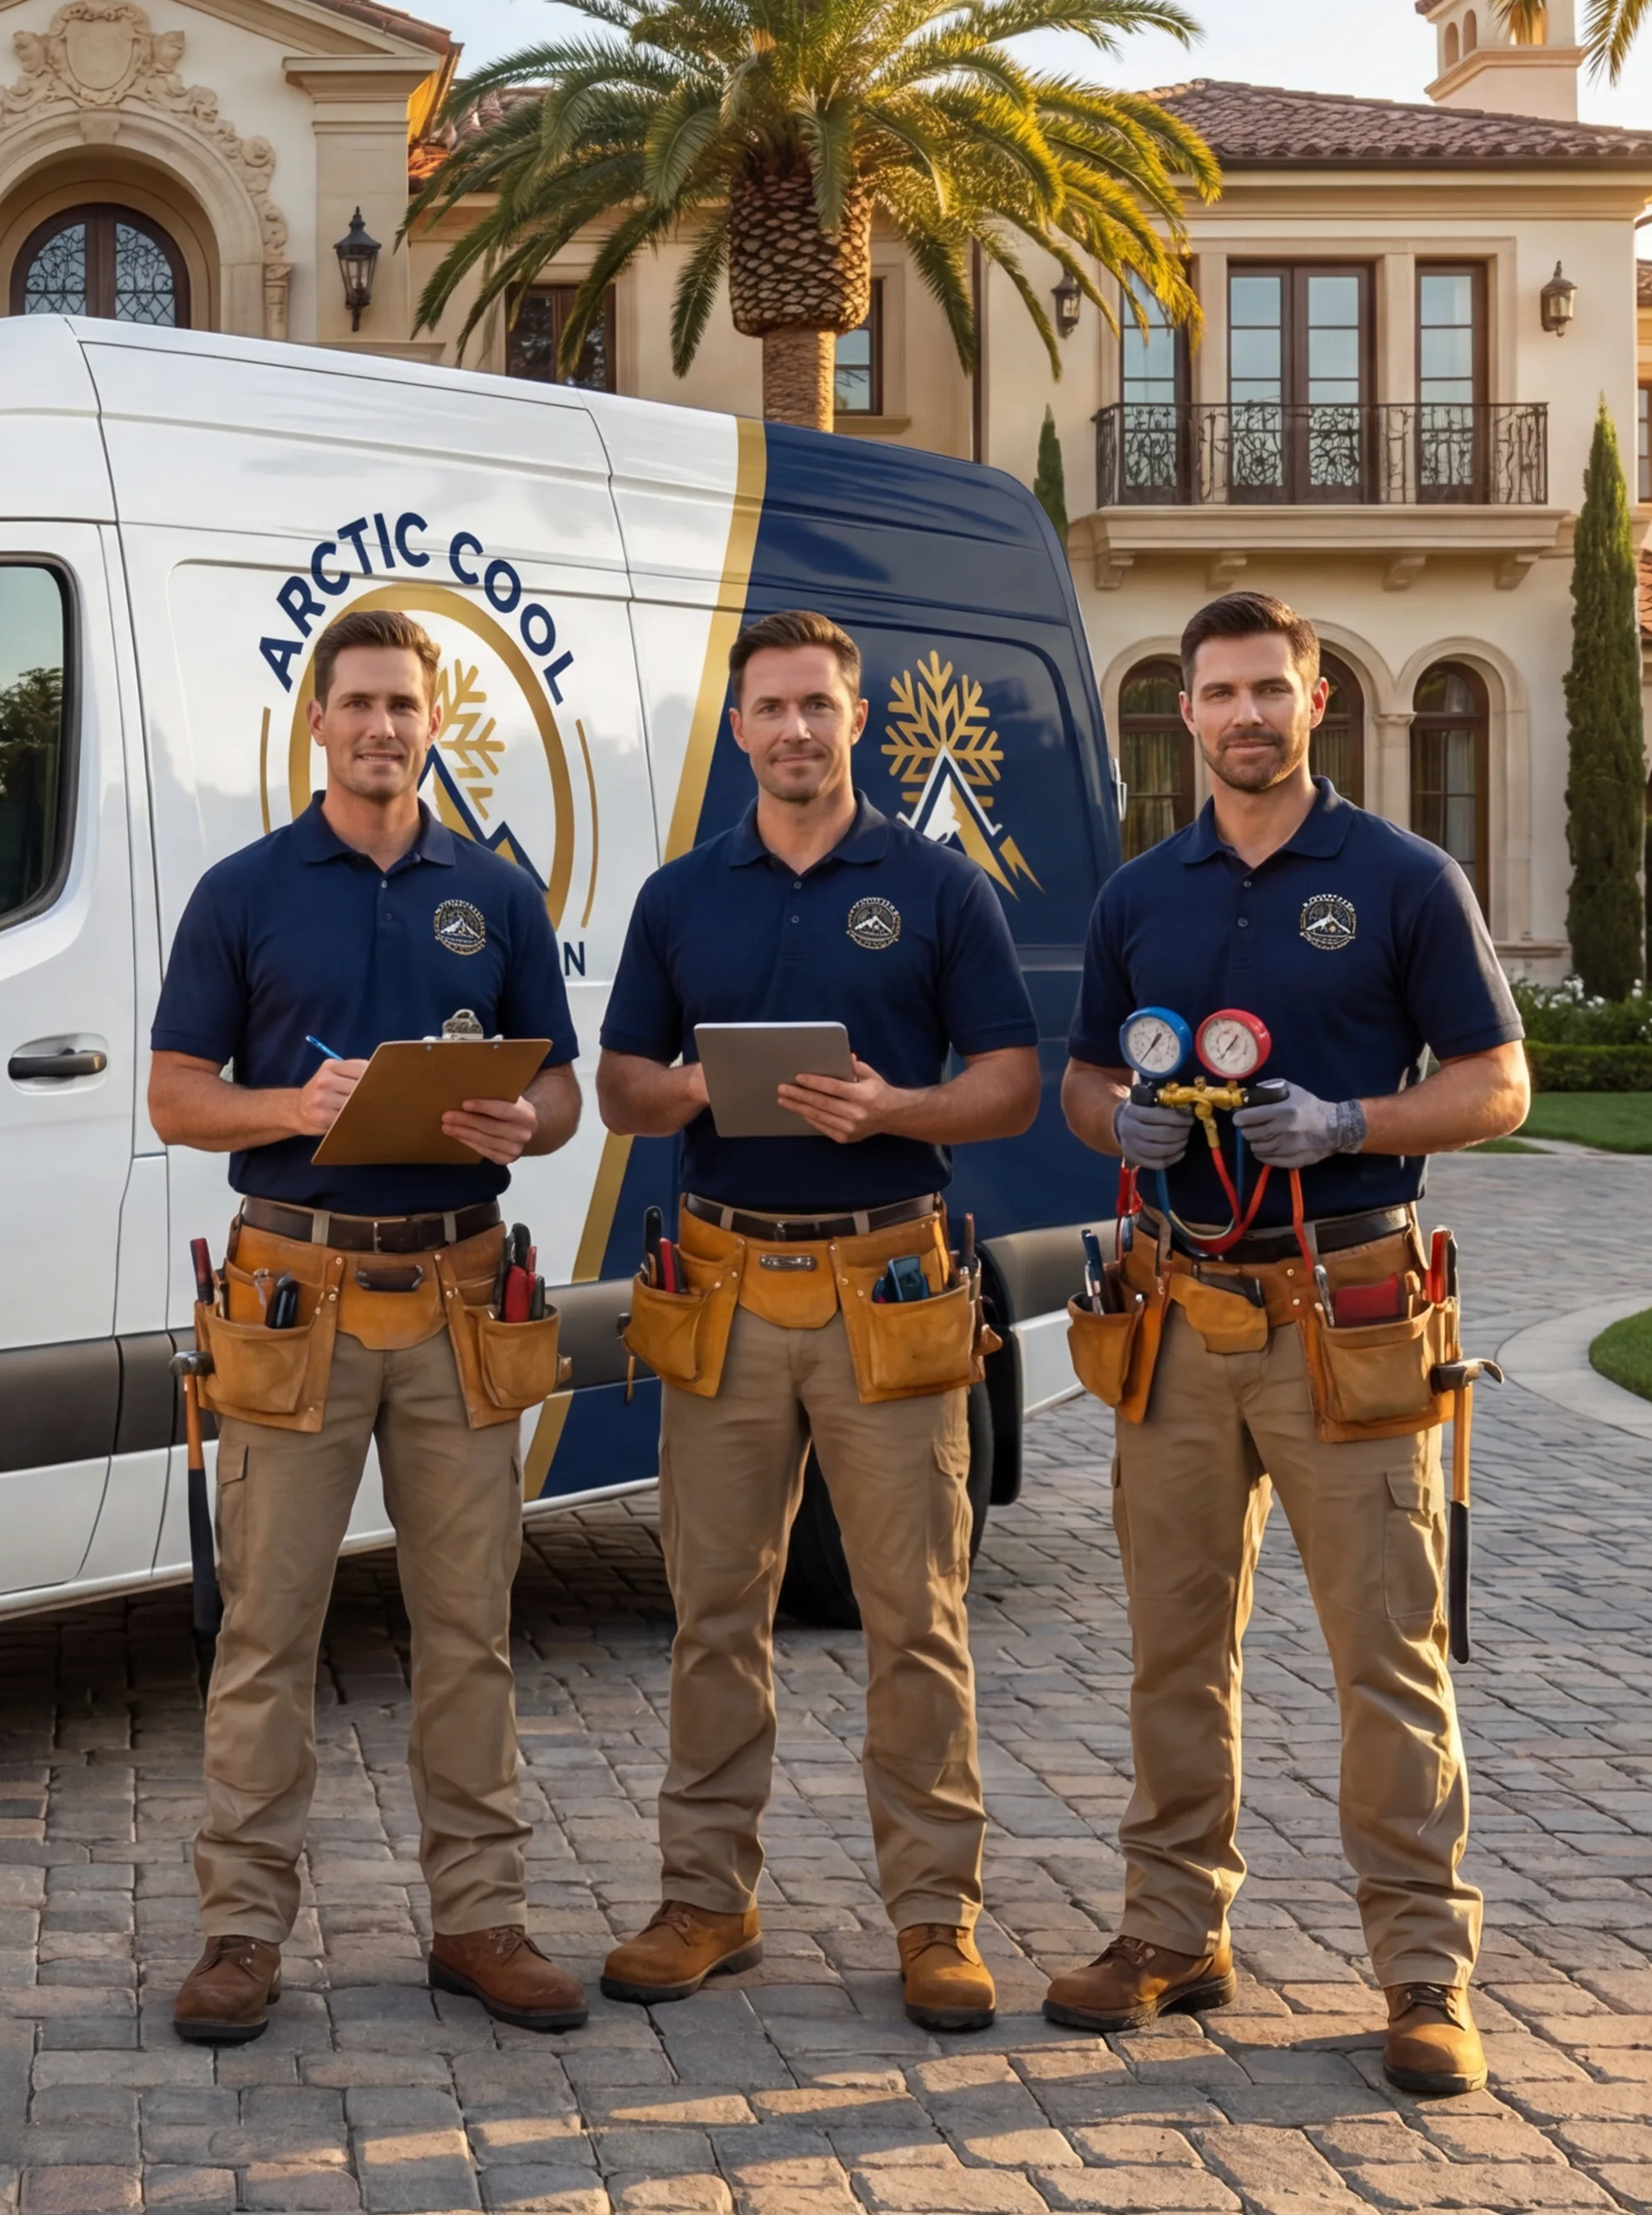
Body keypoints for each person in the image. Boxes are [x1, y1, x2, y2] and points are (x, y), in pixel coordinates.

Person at [1051, 590, 1527, 2100]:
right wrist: (1109, 1123)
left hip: (1349, 1313)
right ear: (1182, 714)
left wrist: (1352, 1125)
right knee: (1173, 1652)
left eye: (1271, 688)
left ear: (1316, 703)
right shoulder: (1142, 895)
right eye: (1218, 693)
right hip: (1180, 1310)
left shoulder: (1400, 878)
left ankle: (1423, 1975)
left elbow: (1501, 1083)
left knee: (1386, 1657)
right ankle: (1174, 1934)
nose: (1245, 715)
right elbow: (1077, 1084)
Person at [589, 609, 1041, 2028]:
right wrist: (712, 1091)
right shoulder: (681, 898)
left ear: (860, 719)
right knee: (714, 1614)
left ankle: (934, 1922)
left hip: (890, 1285)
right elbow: (619, 1087)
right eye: (770, 709)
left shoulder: (936, 887)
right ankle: (705, 1900)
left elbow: (1014, 1083)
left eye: (817, 708)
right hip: (722, 1284)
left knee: (917, 1618)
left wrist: (895, 1108)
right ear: (737, 731)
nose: (794, 731)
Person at [146, 606, 588, 2044]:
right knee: (269, 1630)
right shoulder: (245, 890)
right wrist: (292, 1107)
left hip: (461, 1289)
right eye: (361, 705)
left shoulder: (500, 896)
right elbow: (172, 1095)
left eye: (407, 705)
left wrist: (526, 1117)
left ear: (433, 721)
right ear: (316, 723)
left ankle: (480, 1921)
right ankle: (239, 1935)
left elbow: (565, 1096)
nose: (385, 728)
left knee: (470, 1629)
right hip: (297, 1295)